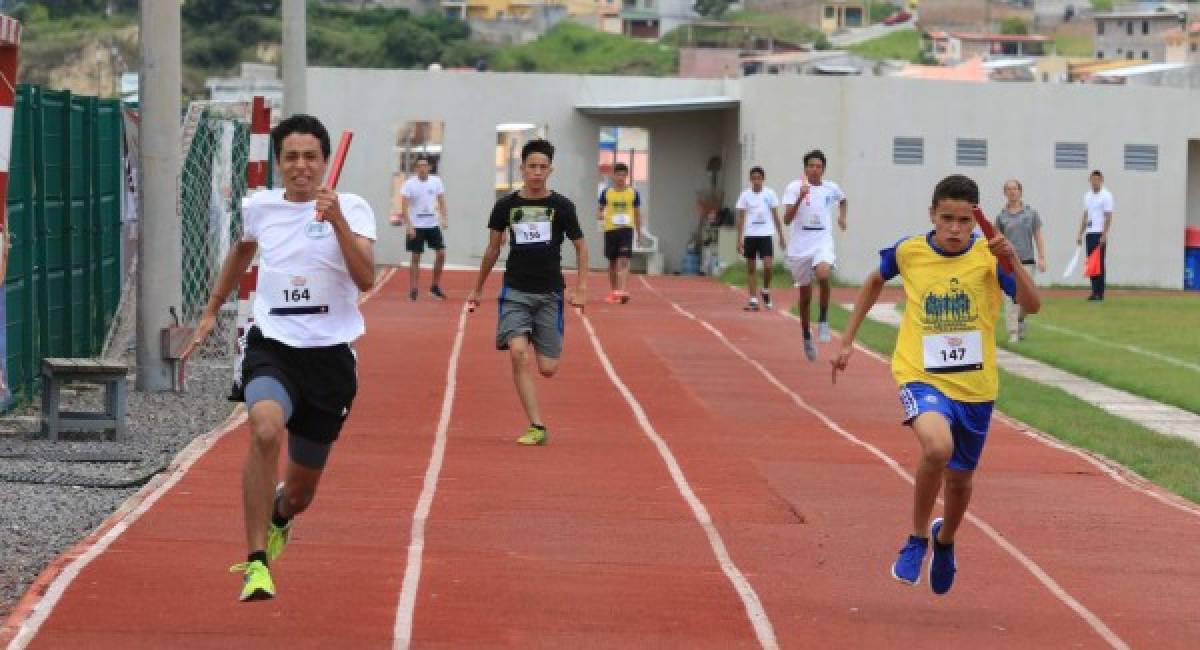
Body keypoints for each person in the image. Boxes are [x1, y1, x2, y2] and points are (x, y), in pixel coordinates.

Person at [182, 114, 377, 601]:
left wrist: (337, 224)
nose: (301, 166)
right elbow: (240, 254)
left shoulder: (351, 207)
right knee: (265, 427)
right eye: (291, 157)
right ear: (279, 163)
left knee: (300, 492)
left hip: (329, 360)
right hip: (273, 346)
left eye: (310, 157)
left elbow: (366, 279)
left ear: (326, 162)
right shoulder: (260, 207)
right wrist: (209, 313)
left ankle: (279, 517)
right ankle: (256, 563)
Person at [832, 174, 1040, 596]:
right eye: (946, 218)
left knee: (961, 482)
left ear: (976, 221)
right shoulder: (910, 251)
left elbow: (1032, 305)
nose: (954, 229)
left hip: (976, 388)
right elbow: (874, 280)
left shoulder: (988, 255)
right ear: (932, 214)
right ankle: (916, 538)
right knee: (937, 447)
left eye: (964, 221)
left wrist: (1012, 260)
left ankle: (945, 542)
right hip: (920, 374)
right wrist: (847, 339)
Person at [467, 139, 587, 445]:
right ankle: (537, 426)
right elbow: (493, 248)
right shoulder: (506, 206)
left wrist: (581, 288)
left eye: (542, 167)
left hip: (549, 293)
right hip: (516, 291)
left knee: (548, 369)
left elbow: (581, 247)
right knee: (518, 354)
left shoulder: (562, 206)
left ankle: (533, 331)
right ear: (522, 168)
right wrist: (478, 288)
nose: (536, 172)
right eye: (531, 166)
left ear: (550, 170)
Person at [782, 150, 847, 360]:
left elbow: (843, 199)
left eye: (819, 166)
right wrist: (801, 197)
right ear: (805, 168)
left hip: (822, 240)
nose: (815, 170)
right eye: (811, 166)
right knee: (805, 296)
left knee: (824, 274)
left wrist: (842, 218)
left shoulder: (831, 188)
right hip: (801, 245)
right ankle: (806, 336)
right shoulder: (794, 188)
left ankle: (824, 319)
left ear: (823, 169)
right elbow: (787, 219)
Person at [994, 179, 1046, 341]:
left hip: (1027, 261)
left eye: (1015, 189)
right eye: (1008, 189)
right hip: (1008, 264)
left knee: (1026, 300)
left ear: (1020, 191)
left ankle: (1021, 319)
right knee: (1010, 299)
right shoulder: (1001, 217)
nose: (1012, 192)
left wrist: (1042, 257)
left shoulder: (1031, 214)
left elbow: (1038, 235)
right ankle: (1013, 333)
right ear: (1005, 193)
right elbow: (997, 240)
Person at [392, 156, 448, 301]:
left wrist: (444, 218)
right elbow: (404, 206)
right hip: (416, 226)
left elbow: (441, 201)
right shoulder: (409, 184)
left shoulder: (436, 182)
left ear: (429, 167)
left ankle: (434, 286)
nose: (422, 168)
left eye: (425, 166)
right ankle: (414, 288)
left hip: (432, 224)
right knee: (416, 256)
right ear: (416, 169)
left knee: (441, 253)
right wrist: (409, 226)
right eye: (419, 166)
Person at [735, 166, 786, 311]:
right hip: (750, 235)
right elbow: (741, 218)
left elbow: (776, 216)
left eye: (759, 178)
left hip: (765, 235)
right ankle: (753, 299)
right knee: (751, 268)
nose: (756, 181)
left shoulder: (770, 194)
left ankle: (765, 289)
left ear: (763, 179)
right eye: (754, 178)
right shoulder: (745, 195)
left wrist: (781, 236)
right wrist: (739, 239)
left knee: (768, 266)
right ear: (750, 180)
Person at [597, 162, 642, 304]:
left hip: (626, 230)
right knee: (612, 263)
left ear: (627, 176)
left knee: (623, 260)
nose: (621, 178)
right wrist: (599, 214)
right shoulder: (606, 192)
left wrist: (639, 233)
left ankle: (621, 291)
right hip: (611, 230)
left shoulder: (633, 193)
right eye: (618, 175)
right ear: (613, 176)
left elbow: (637, 214)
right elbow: (599, 209)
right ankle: (614, 291)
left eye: (624, 175)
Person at [1077, 170, 1113, 301]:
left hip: (1099, 233)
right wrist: (1080, 233)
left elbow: (1108, 216)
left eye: (1097, 180)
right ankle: (1093, 291)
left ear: (1101, 181)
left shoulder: (1106, 196)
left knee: (1099, 263)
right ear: (1090, 181)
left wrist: (1104, 234)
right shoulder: (1087, 196)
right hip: (1090, 233)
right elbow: (1086, 216)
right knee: (1091, 263)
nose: (1095, 182)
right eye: (1092, 179)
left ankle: (1100, 292)